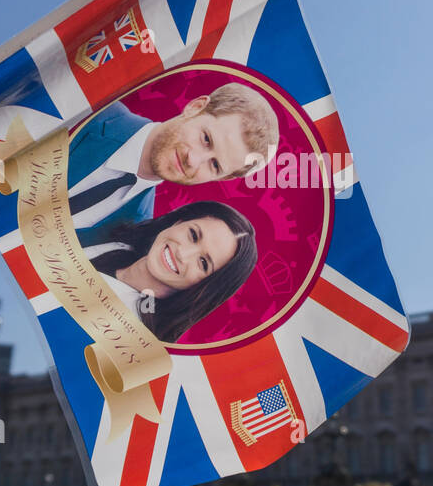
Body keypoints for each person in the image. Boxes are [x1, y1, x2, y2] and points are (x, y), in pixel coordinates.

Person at [66, 82, 279, 234]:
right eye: (206, 138)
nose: (193, 160)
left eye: (214, 165)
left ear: (222, 179)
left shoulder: (136, 228)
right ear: (195, 107)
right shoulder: (91, 108)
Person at [83, 200, 256, 343]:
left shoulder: (135, 339)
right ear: (179, 222)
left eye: (203, 263)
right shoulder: (118, 238)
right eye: (193, 235)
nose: (183, 254)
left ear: (205, 287)